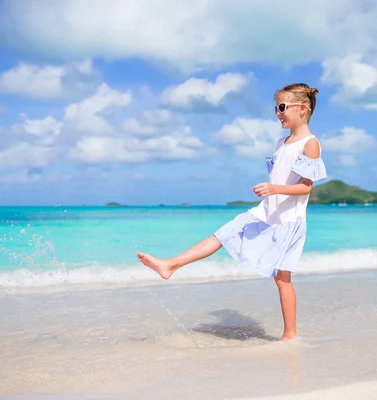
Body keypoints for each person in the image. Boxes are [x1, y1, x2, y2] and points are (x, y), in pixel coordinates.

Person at [137, 83, 327, 341]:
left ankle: (290, 335)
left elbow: (305, 188)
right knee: (224, 233)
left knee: (282, 278)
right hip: (266, 212)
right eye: (276, 108)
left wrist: (273, 188)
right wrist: (271, 192)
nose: (277, 113)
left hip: (287, 220)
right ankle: (171, 264)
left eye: (282, 107)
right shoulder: (281, 142)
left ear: (302, 109)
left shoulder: (310, 144)